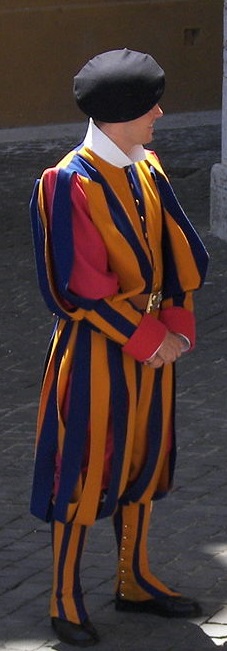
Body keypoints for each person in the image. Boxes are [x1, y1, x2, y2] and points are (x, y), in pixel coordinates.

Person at [30, 48, 209, 647]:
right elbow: (73, 286)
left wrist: (178, 321)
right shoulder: (65, 183)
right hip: (97, 357)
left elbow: (179, 249)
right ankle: (63, 595)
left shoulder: (146, 166)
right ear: (118, 115)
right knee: (84, 468)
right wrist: (147, 338)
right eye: (148, 106)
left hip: (154, 354)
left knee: (145, 462)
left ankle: (134, 578)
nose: (159, 113)